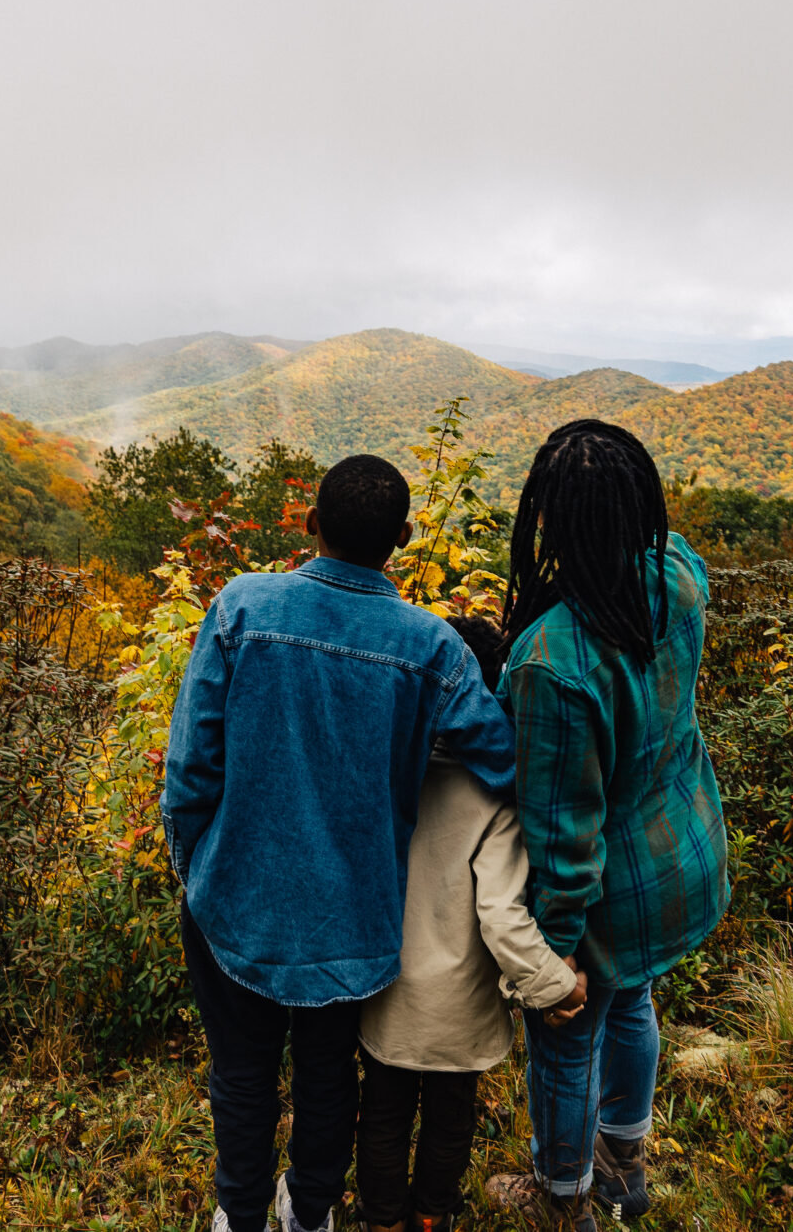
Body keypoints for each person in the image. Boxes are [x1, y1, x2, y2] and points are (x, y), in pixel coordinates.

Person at [162, 454, 519, 1232]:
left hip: (235, 900)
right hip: (353, 916)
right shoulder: (432, 648)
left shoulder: (239, 608)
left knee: (243, 1074)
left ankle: (241, 1213)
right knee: (329, 1073)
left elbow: (190, 769)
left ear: (309, 523)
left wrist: (197, 872)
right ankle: (312, 1211)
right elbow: (501, 755)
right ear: (402, 536)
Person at [485, 419, 730, 1231]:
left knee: (566, 1036)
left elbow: (564, 837)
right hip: (681, 855)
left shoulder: (550, 659)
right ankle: (625, 1165)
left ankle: (563, 1197)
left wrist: (552, 957)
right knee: (632, 1003)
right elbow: (683, 546)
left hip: (609, 896)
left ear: (549, 519)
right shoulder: (678, 578)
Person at [355, 614, 589, 1232]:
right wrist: (555, 986)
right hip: (459, 1002)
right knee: (449, 1116)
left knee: (382, 1113)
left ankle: (382, 1220)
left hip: (386, 986)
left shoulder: (384, 772)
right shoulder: (495, 795)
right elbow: (500, 914)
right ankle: (433, 1216)